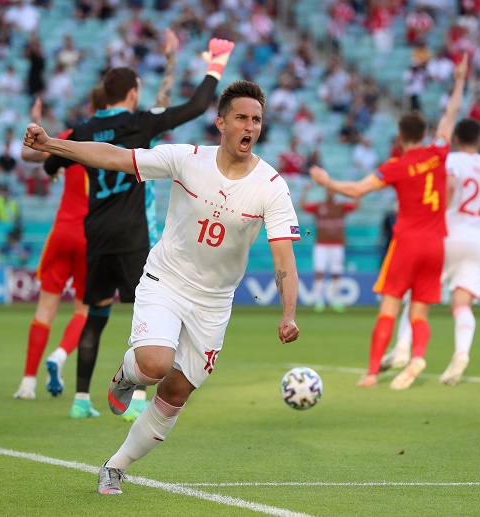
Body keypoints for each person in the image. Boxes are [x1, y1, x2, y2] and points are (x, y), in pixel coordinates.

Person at [23, 79, 301, 495]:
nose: (250, 126)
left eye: (257, 120)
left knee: (175, 394)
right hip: (166, 282)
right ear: (221, 122)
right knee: (154, 365)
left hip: (213, 304)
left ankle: (115, 466)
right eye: (241, 118)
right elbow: (115, 157)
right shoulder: (186, 159)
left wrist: (288, 313)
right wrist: (52, 145)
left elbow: (283, 257)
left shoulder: (272, 186)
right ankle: (127, 373)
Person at [42, 34, 230, 421]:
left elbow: (49, 162)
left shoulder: (83, 129)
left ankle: (81, 400)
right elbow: (196, 106)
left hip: (96, 234)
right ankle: (139, 400)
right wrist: (217, 62)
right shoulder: (140, 123)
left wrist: (50, 155)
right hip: (133, 235)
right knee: (148, 316)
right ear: (132, 93)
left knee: (94, 315)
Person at [309, 55, 469, 390]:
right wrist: (458, 80)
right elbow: (451, 115)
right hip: (436, 245)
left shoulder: (396, 166)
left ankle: (371, 373)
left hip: (407, 242)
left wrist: (326, 181)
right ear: (424, 134)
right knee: (419, 314)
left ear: (399, 136)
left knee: (389, 309)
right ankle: (417, 357)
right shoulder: (438, 151)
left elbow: (357, 190)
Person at [381, 118, 480, 385]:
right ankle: (461, 353)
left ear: (455, 139)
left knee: (416, 296)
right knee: (462, 304)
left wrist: (436, 213)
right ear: (479, 140)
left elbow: (450, 185)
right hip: (479, 241)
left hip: (447, 235)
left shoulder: (451, 160)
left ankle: (402, 349)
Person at [13, 90, 104, 401]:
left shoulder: (69, 138)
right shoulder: (118, 142)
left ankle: (27, 383)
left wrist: (35, 123)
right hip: (92, 236)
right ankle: (61, 353)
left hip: (63, 231)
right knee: (83, 310)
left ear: (90, 107)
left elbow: (29, 155)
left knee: (45, 308)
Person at [299, 183, 358, 312]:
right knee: (319, 272)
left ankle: (335, 299)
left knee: (336, 273)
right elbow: (303, 206)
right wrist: (305, 191)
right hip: (321, 245)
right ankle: (318, 300)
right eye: (329, 191)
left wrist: (355, 192)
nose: (331, 193)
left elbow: (356, 205)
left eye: (333, 191)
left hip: (337, 245)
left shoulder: (341, 207)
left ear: (335, 193)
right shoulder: (319, 206)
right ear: (325, 193)